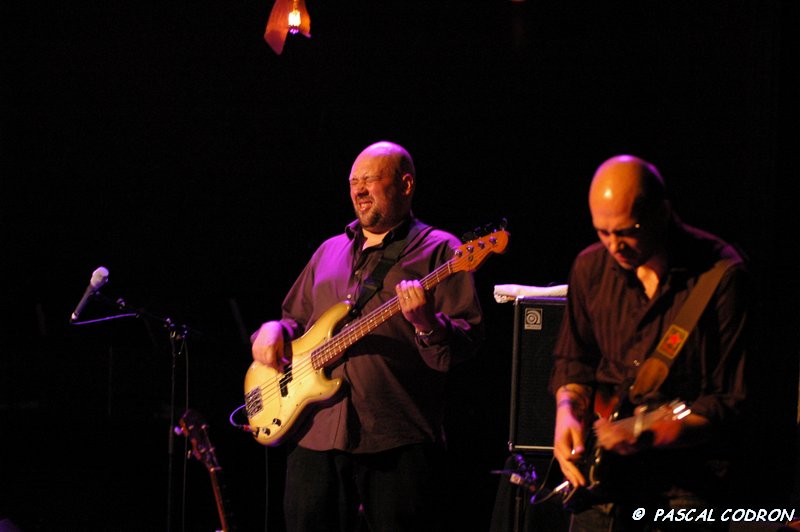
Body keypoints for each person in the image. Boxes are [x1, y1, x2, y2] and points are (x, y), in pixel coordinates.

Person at [251, 141, 484, 532]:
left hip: (395, 438)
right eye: (353, 182)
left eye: (370, 180)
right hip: (315, 435)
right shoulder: (329, 251)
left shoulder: (442, 249)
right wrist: (273, 329)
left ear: (405, 184)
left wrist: (427, 324)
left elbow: (466, 341)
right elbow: (293, 321)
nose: (359, 190)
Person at [550, 155, 750, 531]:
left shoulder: (722, 276)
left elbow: (732, 400)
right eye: (602, 232)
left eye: (626, 231)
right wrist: (567, 413)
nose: (614, 246)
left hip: (688, 487)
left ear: (662, 212)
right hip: (603, 484)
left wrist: (648, 430)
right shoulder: (589, 269)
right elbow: (573, 360)